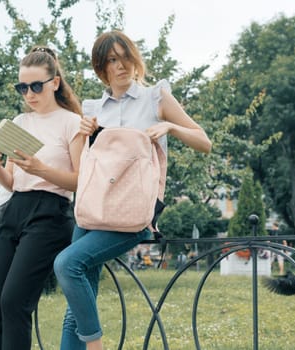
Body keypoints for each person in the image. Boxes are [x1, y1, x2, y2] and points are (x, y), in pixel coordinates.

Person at [53, 30, 211, 350]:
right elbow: (86, 169)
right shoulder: (94, 109)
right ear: (102, 68)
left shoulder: (156, 97)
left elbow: (204, 142)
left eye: (124, 57)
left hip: (135, 214)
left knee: (66, 264)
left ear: (134, 59)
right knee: (75, 307)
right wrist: (84, 134)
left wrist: (170, 126)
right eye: (111, 60)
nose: (120, 66)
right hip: (94, 209)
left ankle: (95, 346)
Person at [0, 46, 84, 350]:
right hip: (15, 209)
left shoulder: (72, 123)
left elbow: (80, 180)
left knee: (14, 301)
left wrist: (41, 168)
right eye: (22, 87)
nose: (29, 94)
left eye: (36, 86)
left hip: (50, 214)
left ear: (55, 82)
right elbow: (11, 183)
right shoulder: (21, 122)